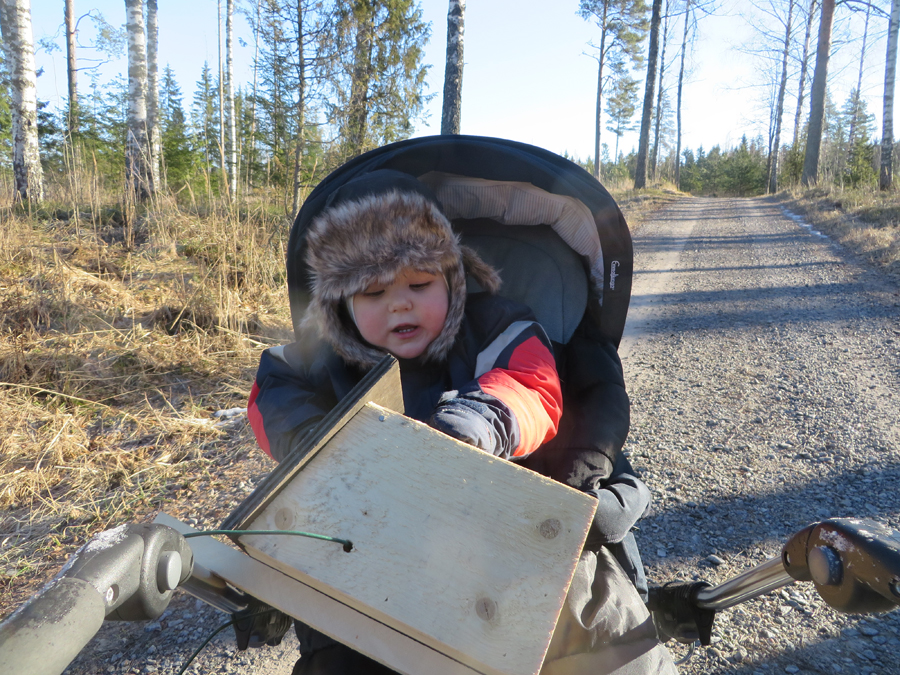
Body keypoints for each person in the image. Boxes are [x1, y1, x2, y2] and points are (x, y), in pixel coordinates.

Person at [247, 170, 676, 674]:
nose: (399, 302)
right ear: (340, 302)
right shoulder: (323, 360)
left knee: (596, 625)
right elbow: (273, 393)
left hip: (509, 526)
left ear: (452, 277)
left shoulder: (495, 326)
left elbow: (531, 384)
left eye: (419, 283)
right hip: (379, 543)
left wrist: (477, 422)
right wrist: (324, 446)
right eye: (372, 292)